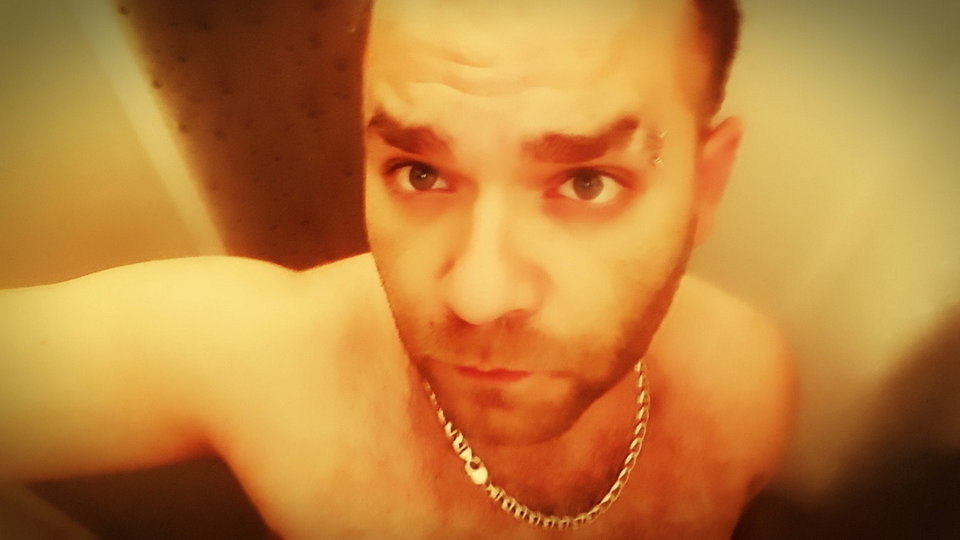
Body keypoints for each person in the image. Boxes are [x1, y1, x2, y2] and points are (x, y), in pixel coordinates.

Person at [0, 0, 794, 537]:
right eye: (420, 172)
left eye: (586, 181)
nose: (478, 295)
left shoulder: (746, 393)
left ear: (706, 186)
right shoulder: (272, 364)